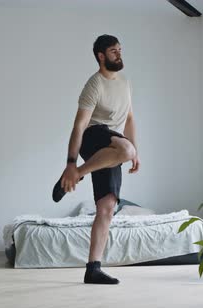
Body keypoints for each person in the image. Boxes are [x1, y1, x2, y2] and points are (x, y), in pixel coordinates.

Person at [52, 34, 140, 285]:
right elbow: (79, 126)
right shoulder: (94, 84)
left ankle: (93, 269)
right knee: (126, 149)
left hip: (112, 146)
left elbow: (130, 119)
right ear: (101, 56)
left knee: (107, 207)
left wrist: (137, 152)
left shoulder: (125, 83)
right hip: (94, 136)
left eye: (120, 50)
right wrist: (70, 163)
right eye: (113, 51)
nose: (119, 54)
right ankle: (77, 172)